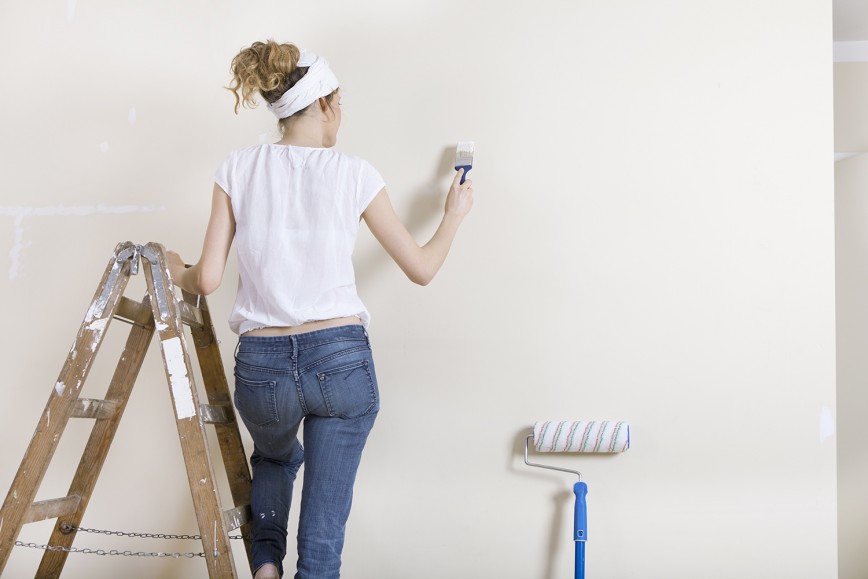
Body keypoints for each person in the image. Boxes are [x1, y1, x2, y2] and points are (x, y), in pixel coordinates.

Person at [166, 40, 474, 579]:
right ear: (326, 104)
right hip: (340, 359)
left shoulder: (237, 168)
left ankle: (265, 563)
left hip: (262, 366)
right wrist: (453, 215)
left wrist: (175, 270)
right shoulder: (355, 173)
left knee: (274, 458)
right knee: (323, 542)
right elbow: (422, 268)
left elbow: (207, 279)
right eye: (341, 104)